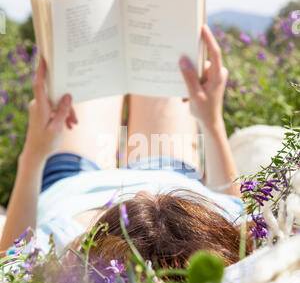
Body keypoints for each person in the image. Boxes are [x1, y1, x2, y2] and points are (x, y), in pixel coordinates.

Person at [0, 25, 248, 268]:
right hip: (170, 171)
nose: (141, 191)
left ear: (84, 247)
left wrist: (35, 151)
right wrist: (211, 120)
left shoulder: (59, 248)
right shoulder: (210, 237)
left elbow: (8, 259)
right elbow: (232, 204)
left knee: (91, 44)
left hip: (74, 180)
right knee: (168, 45)